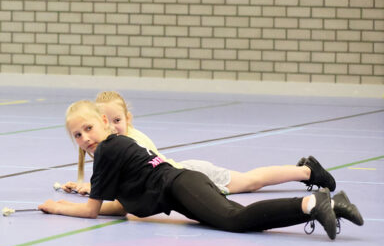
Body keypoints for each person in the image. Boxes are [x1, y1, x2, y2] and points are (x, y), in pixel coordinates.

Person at [39, 100, 364, 240]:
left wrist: (58, 207)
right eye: (77, 135)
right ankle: (328, 205)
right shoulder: (114, 150)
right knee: (242, 218)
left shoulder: (108, 150)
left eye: (88, 128)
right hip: (184, 185)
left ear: (105, 123)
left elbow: (92, 212)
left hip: (180, 183)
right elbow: (121, 208)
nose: (84, 138)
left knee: (235, 219)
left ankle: (311, 203)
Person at [59, 91, 336, 196]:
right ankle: (304, 171)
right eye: (106, 120)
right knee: (250, 182)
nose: (112, 126)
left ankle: (306, 171)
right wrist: (89, 185)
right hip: (183, 176)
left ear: (126, 119)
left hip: (191, 176)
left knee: (251, 182)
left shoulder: (130, 142)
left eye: (117, 119)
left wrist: (93, 191)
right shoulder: (107, 146)